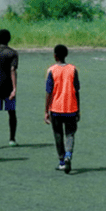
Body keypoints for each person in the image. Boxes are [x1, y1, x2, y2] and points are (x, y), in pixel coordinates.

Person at [44, 45, 80, 173]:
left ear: (55, 56)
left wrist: (46, 111)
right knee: (70, 133)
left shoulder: (52, 70)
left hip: (56, 108)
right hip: (71, 108)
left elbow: (48, 92)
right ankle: (68, 156)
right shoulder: (73, 69)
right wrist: (78, 109)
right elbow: (77, 91)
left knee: (58, 134)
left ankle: (61, 160)